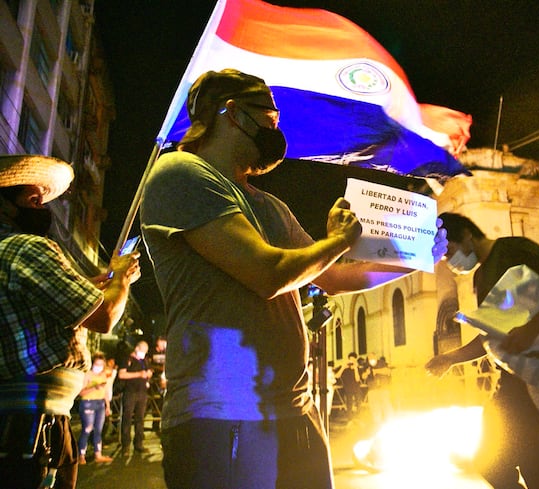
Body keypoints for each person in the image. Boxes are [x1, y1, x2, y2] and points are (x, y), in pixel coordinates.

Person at [139, 68, 448, 489]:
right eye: (269, 120)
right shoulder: (180, 174)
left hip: (294, 409)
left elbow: (334, 276)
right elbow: (269, 273)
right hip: (223, 413)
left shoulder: (269, 206)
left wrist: (411, 259)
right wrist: (339, 240)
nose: (276, 132)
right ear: (232, 114)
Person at [0, 154, 140, 489]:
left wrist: (94, 283)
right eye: (29, 195)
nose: (40, 201)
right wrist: (120, 279)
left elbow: (46, 299)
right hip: (33, 423)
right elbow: (104, 317)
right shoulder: (26, 248)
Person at [425, 212, 539, 489]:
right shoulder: (482, 275)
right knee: (490, 461)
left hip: (538, 382)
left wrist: (532, 328)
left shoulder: (513, 249)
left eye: (449, 253)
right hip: (510, 384)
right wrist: (451, 358)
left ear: (466, 235)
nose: (449, 263)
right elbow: (493, 335)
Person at [117, 340, 152, 456]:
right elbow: (121, 374)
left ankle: (139, 444)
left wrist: (148, 374)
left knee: (140, 419)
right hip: (130, 392)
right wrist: (139, 374)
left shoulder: (144, 361)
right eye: (142, 351)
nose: (143, 353)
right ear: (136, 348)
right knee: (127, 419)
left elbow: (147, 371)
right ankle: (125, 446)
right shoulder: (127, 359)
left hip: (142, 392)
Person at [77, 352, 113, 464]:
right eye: (97, 364)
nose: (99, 367)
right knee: (87, 429)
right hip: (88, 402)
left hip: (100, 404)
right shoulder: (87, 374)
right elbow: (80, 392)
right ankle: (81, 455)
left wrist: (108, 406)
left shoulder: (103, 375)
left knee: (98, 430)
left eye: (101, 365)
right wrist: (94, 387)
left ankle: (98, 454)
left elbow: (105, 392)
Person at [362, 353, 394, 426]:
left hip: (383, 388)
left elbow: (388, 371)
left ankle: (390, 422)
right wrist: (367, 373)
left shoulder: (382, 363)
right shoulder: (366, 365)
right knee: (374, 407)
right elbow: (363, 376)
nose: (371, 360)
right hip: (372, 389)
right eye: (369, 358)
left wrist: (376, 371)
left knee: (386, 405)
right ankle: (377, 423)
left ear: (375, 357)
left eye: (372, 358)